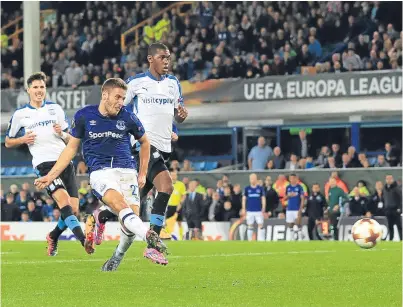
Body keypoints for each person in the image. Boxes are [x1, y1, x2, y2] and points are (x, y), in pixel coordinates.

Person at [34, 78, 168, 270]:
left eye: (123, 98)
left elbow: (145, 142)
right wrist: (51, 175)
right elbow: (70, 149)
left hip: (127, 170)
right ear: (105, 95)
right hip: (101, 172)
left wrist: (142, 173)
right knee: (121, 206)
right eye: (117, 97)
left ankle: (116, 256)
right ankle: (149, 237)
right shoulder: (84, 116)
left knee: (130, 224)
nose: (121, 102)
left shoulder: (128, 117)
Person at [86, 43, 188, 258]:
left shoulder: (173, 84)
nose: (167, 61)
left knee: (134, 204)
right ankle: (153, 244)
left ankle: (100, 215)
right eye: (162, 57)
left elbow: (173, 113)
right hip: (143, 146)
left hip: (164, 146)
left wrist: (177, 121)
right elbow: (118, 109)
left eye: (169, 57)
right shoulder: (136, 83)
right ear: (151, 59)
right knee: (166, 186)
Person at [5, 72, 93, 256]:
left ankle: (53, 236)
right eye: (35, 87)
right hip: (44, 165)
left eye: (42, 87)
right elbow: (7, 141)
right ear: (28, 90)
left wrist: (62, 133)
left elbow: (71, 140)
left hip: (64, 162)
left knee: (73, 209)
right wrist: (22, 139)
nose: (39, 91)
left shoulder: (56, 109)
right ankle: (83, 240)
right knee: (64, 202)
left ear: (46, 89)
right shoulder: (21, 114)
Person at [242, 173, 266, 241]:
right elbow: (244, 199)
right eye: (251, 179)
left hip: (258, 210)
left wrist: (263, 207)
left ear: (256, 179)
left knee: (260, 224)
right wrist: (244, 208)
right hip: (249, 210)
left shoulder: (260, 188)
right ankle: (250, 240)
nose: (252, 180)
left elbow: (263, 198)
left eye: (253, 178)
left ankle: (261, 240)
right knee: (250, 225)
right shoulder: (247, 188)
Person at [165, 170, 187, 239]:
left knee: (179, 222)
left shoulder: (181, 184)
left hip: (178, 206)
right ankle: (168, 236)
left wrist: (180, 204)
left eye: (175, 175)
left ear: (177, 176)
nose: (174, 176)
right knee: (168, 222)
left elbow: (184, 195)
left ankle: (181, 237)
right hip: (169, 206)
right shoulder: (167, 184)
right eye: (172, 175)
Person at [284, 174, 305, 240]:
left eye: (293, 178)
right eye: (291, 178)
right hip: (289, 208)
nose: (292, 180)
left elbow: (302, 198)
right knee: (290, 224)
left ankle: (300, 236)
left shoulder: (299, 187)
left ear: (296, 179)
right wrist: (289, 195)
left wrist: (300, 208)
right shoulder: (288, 187)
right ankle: (292, 237)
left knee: (298, 223)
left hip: (297, 208)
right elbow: (285, 198)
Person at [383, 175, 402, 241]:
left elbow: (400, 198)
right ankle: (391, 239)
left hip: (395, 209)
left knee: (399, 226)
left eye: (390, 179)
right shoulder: (385, 188)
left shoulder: (396, 188)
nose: (388, 180)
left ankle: (401, 239)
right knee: (390, 226)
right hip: (388, 210)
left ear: (392, 179)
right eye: (387, 179)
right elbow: (384, 199)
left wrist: (400, 208)